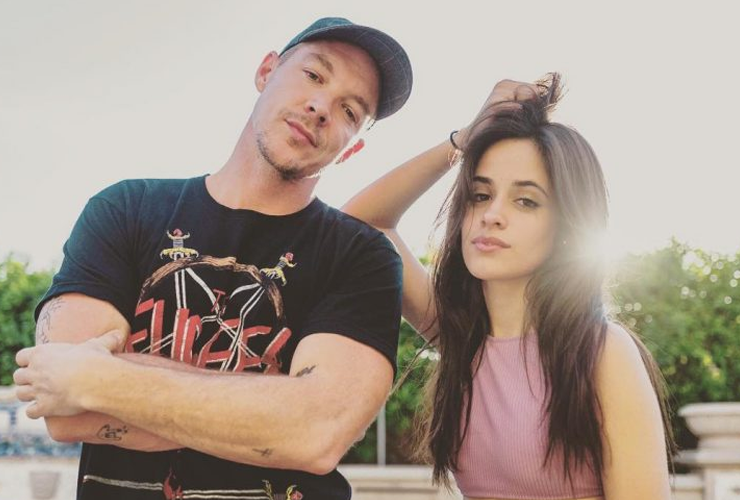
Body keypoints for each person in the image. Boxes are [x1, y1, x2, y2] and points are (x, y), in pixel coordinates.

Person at [13, 17, 412, 500]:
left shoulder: (362, 257)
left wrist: (96, 377)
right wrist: (274, 413)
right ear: (266, 71)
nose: (321, 108)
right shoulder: (125, 210)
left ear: (354, 148)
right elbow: (65, 410)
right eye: (313, 75)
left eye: (350, 110)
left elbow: (315, 433)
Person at [342, 74, 676, 500]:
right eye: (480, 195)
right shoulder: (459, 337)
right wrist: (463, 140)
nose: (492, 215)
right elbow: (360, 223)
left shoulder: (601, 352)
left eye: (526, 201)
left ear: (566, 228)